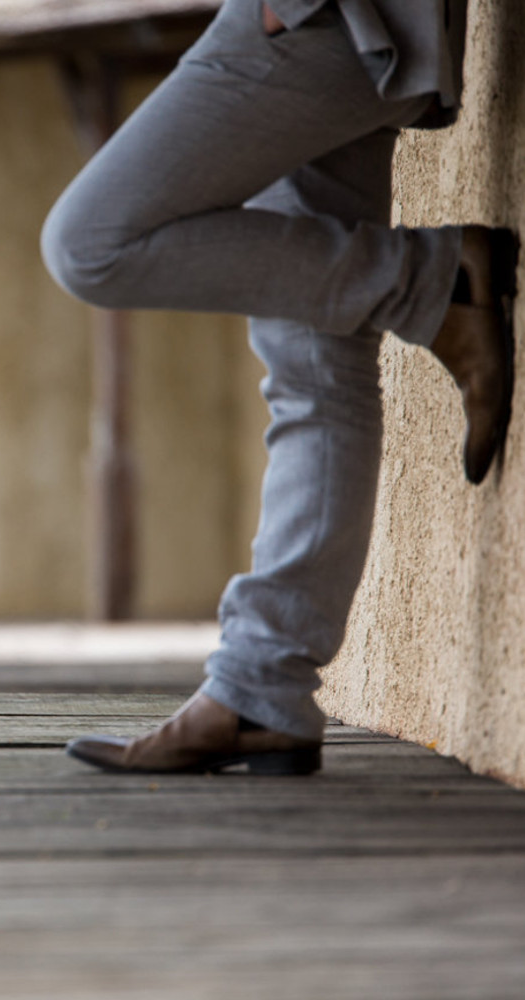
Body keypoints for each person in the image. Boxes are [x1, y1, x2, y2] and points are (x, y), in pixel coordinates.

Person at [42, 0, 517, 774]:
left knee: (91, 242)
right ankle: (262, 693)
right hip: (362, 21)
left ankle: (431, 282)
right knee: (315, 374)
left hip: (327, 16)